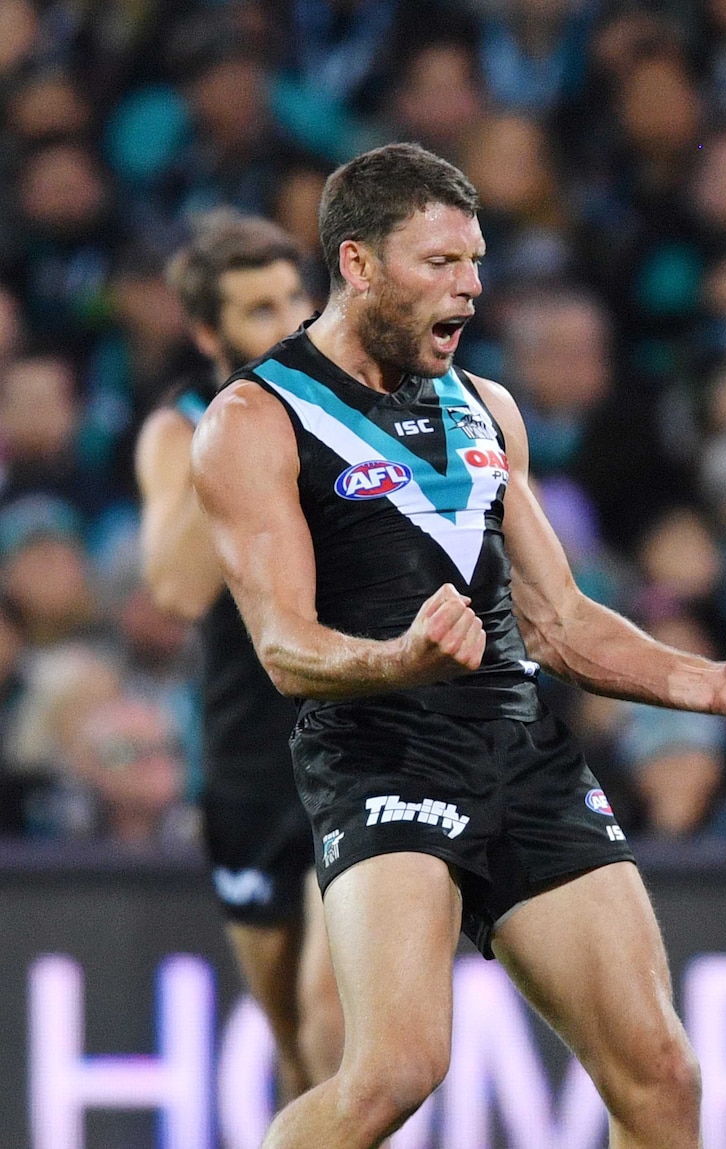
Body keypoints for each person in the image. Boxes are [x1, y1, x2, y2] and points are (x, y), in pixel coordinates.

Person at [189, 143, 726, 1149]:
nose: (469, 288)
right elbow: (282, 647)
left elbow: (556, 618)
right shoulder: (257, 421)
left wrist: (710, 682)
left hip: (517, 748)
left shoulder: (486, 408)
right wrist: (398, 662)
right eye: (438, 264)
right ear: (356, 264)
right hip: (376, 752)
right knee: (395, 1070)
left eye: (474, 262)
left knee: (661, 1078)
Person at [134, 209, 342, 1098]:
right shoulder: (179, 431)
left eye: (298, 296)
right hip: (249, 758)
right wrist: (242, 424)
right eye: (261, 309)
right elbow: (178, 588)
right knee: (296, 1049)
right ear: (208, 332)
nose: (291, 321)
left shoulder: (359, 408)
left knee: (336, 1015)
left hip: (363, 738)